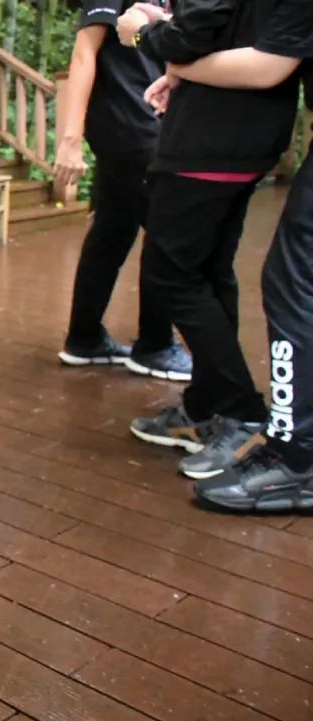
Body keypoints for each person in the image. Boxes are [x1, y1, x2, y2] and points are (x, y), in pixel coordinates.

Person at [118, 0, 300, 480]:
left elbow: (193, 31)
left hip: (210, 140)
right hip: (245, 137)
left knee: (171, 277)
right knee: (208, 274)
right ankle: (207, 403)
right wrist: (177, 58)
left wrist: (142, 33)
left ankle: (240, 411)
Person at [55, 0, 189, 381]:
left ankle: (84, 338)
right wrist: (71, 138)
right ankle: (155, 345)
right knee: (166, 233)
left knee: (113, 231)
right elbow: (84, 52)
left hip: (145, 120)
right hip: (131, 124)